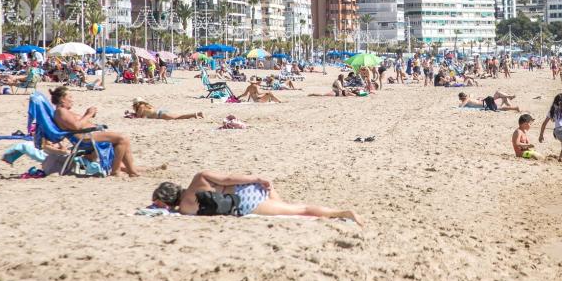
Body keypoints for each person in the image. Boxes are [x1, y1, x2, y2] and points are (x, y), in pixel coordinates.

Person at [150, 172, 361, 224]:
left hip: (242, 205)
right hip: (247, 191)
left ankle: (339, 214)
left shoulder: (185, 210)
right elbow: (228, 178)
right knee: (293, 208)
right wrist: (258, 178)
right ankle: (339, 213)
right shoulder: (200, 178)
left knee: (298, 210)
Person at [51, 86, 141, 177]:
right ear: (62, 99)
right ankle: (115, 171)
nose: (72, 100)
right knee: (122, 138)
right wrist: (88, 114)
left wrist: (89, 117)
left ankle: (132, 171)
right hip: (84, 138)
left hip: (87, 135)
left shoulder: (63, 111)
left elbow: (76, 124)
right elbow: (76, 126)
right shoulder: (61, 111)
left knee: (123, 140)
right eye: (69, 97)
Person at [131, 98, 203, 121]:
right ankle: (197, 114)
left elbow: (138, 116)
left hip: (160, 115)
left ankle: (195, 114)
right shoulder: (146, 105)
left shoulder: (141, 107)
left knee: (178, 117)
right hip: (161, 112)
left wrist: (131, 114)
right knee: (178, 116)